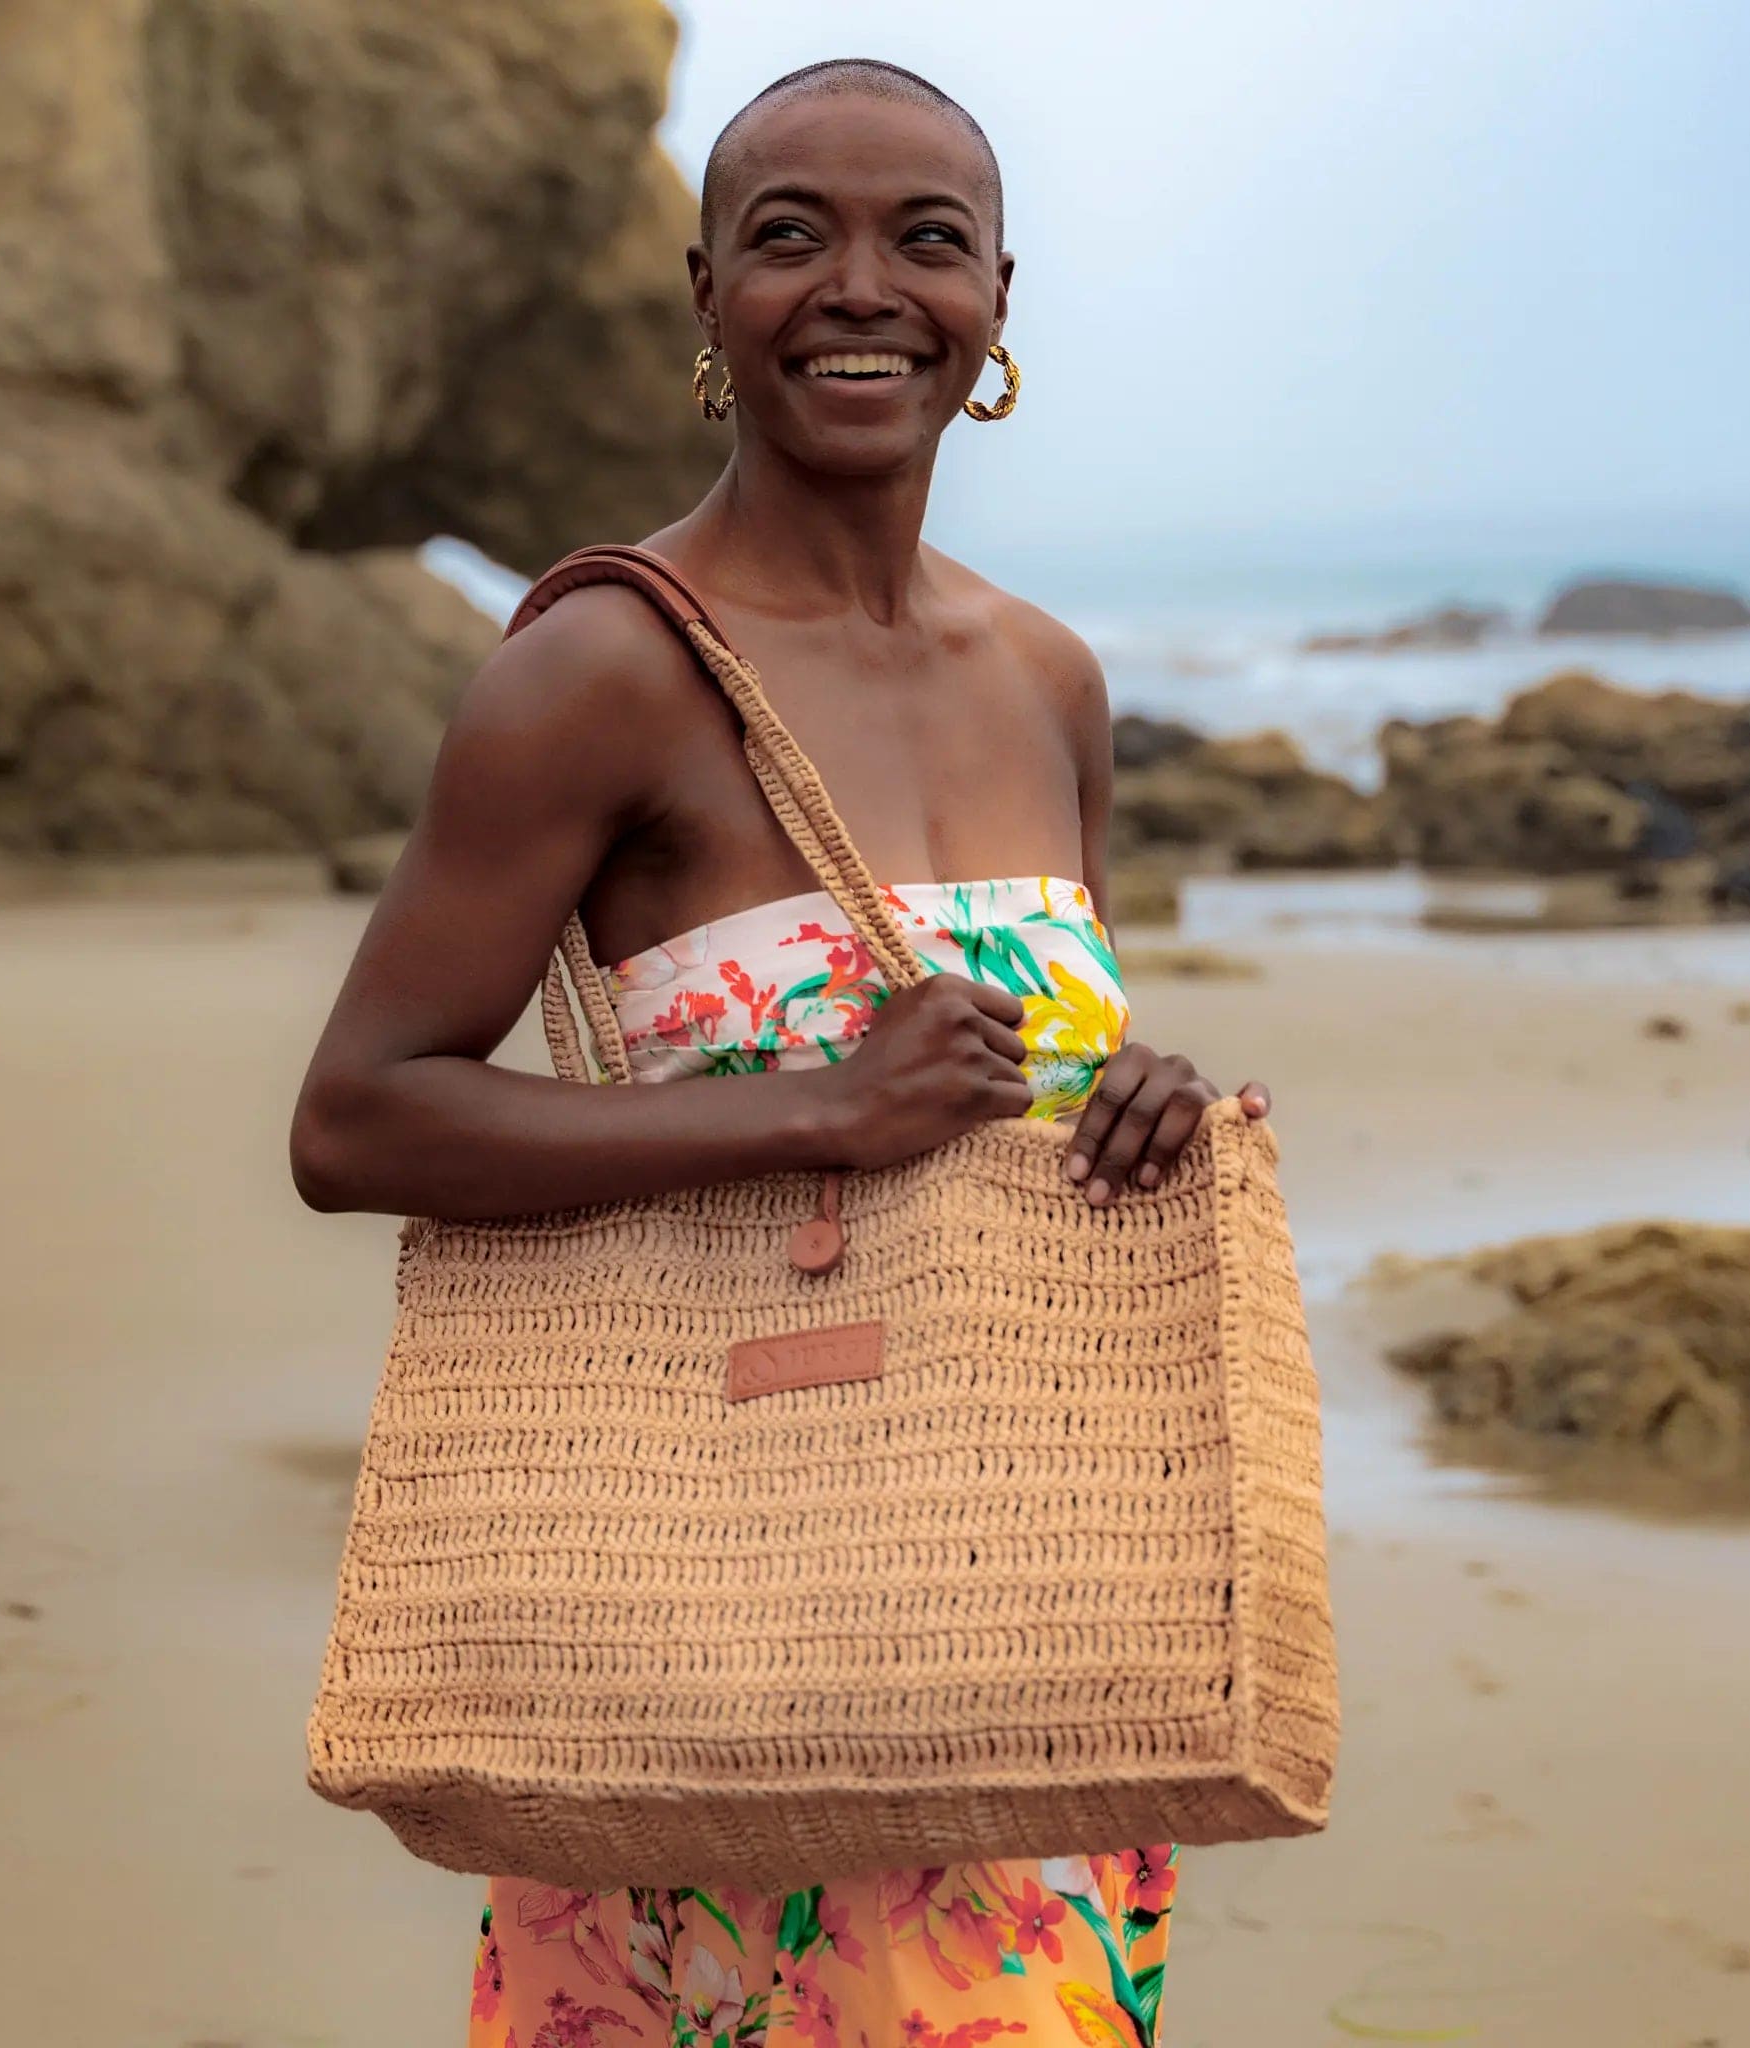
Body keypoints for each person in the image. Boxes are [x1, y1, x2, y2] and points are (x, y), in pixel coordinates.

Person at [289, 53, 1271, 2048]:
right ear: (704, 298)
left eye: (924, 241)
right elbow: (357, 1111)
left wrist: (1133, 1096)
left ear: (997, 298)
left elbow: (1017, 1058)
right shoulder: (600, 670)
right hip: (717, 1625)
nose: (860, 288)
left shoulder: (1049, 684)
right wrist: (816, 1111)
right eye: (789, 236)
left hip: (1020, 1626)